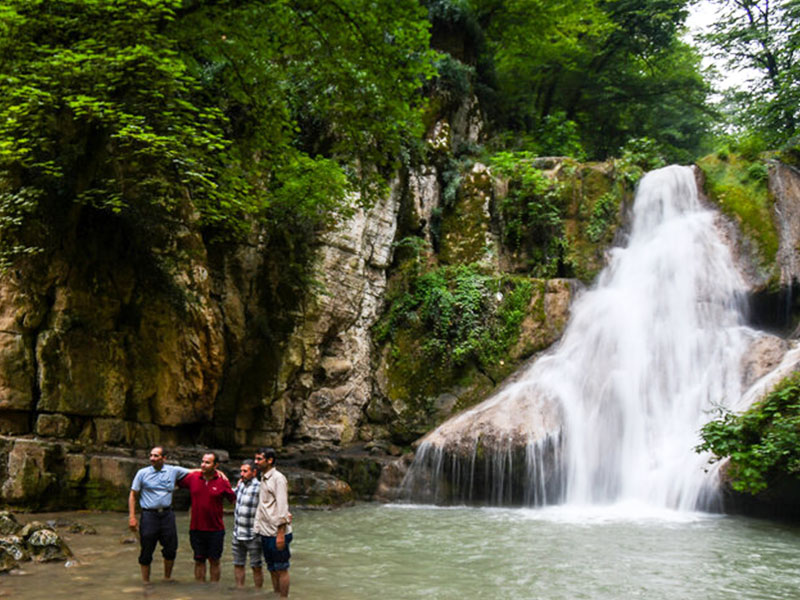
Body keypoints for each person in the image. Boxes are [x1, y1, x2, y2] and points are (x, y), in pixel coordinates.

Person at [128, 446, 190, 583]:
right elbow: (133, 495)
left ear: (164, 458)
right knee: (147, 548)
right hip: (149, 515)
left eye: (156, 456)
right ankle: (146, 582)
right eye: (151, 455)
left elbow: (196, 472)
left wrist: (218, 472)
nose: (152, 458)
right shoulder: (142, 473)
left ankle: (167, 578)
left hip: (167, 514)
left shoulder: (173, 471)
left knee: (171, 548)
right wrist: (132, 517)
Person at [177, 451, 236, 583]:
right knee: (199, 560)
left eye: (207, 462)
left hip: (216, 529)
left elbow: (234, 500)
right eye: (202, 462)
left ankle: (213, 590)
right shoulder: (193, 477)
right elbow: (173, 477)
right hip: (196, 528)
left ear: (216, 465)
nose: (203, 465)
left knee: (215, 561)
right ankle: (201, 590)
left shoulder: (222, 481)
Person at [254, 447, 293, 598]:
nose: (256, 462)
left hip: (277, 532)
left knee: (282, 568)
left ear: (270, 460)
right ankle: (276, 595)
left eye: (259, 459)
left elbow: (282, 507)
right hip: (265, 531)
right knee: (272, 568)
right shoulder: (263, 477)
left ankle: (283, 597)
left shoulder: (278, 478)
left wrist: (281, 534)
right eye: (256, 459)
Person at [232, 459, 263, 588]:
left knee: (256, 566)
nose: (242, 473)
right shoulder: (241, 485)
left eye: (245, 471)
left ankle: (258, 592)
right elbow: (230, 495)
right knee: (238, 564)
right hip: (237, 533)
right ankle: (240, 590)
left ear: (254, 472)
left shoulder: (260, 487)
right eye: (241, 471)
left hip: (253, 535)